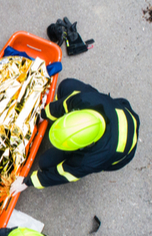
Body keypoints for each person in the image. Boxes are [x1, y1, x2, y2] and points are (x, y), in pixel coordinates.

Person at [10, 78, 140, 195]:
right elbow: (65, 104)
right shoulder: (85, 100)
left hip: (122, 154)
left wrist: (28, 181)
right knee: (66, 86)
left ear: (83, 146)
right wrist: (43, 114)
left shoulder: (90, 160)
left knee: (45, 162)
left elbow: (65, 173)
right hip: (121, 111)